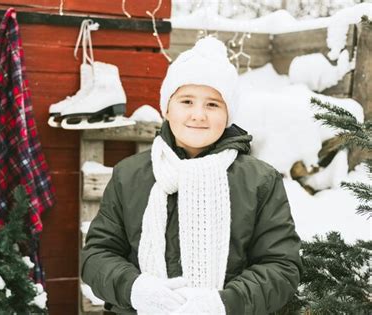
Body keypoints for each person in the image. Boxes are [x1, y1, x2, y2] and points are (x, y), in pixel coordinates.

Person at [81, 36, 302, 315]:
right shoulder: (129, 175)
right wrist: (135, 289)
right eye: (186, 101)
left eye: (212, 104)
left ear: (228, 114)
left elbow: (281, 267)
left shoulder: (260, 181)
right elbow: (96, 257)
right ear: (167, 108)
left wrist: (222, 304)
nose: (198, 115)